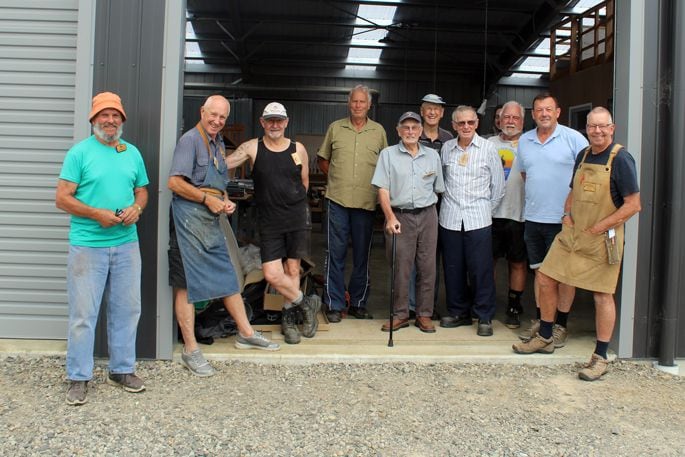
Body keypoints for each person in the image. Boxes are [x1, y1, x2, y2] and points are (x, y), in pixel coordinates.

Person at [513, 107, 641, 381]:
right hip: (573, 233)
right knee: (546, 277)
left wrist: (600, 226)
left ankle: (600, 356)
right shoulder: (583, 155)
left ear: (612, 128)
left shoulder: (621, 159)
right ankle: (546, 336)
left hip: (602, 238)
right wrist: (567, 214)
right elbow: (574, 190)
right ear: (587, 128)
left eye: (602, 126)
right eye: (592, 126)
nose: (597, 131)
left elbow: (633, 205)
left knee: (601, 294)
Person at [168, 95, 279, 377]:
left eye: (222, 117)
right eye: (213, 115)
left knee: (228, 277)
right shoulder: (190, 140)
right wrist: (207, 200)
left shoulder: (217, 142)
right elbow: (175, 182)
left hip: (211, 220)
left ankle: (245, 333)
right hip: (188, 220)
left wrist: (226, 199)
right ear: (202, 112)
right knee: (186, 286)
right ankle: (191, 349)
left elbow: (216, 182)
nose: (217, 121)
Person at [56, 92, 149, 405]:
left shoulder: (132, 153)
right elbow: (62, 198)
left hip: (126, 244)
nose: (110, 121)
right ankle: (78, 377)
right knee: (83, 314)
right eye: (103, 116)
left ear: (122, 120)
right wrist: (96, 214)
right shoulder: (79, 153)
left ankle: (121, 370)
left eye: (115, 116)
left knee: (127, 309)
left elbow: (142, 191)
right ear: (93, 120)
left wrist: (137, 207)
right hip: (87, 246)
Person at [227, 102, 321, 345]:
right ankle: (305, 302)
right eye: (270, 120)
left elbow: (304, 181)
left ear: (286, 122)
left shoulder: (298, 148)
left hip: (297, 219)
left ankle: (288, 320)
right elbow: (224, 164)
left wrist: (294, 206)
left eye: (279, 120)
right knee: (271, 273)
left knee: (292, 270)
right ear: (262, 122)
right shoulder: (251, 147)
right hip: (269, 222)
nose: (275, 125)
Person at [516, 93, 589, 347]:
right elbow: (526, 174)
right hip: (534, 218)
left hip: (565, 220)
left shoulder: (574, 139)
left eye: (549, 109)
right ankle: (541, 321)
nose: (544, 114)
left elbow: (586, 177)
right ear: (533, 114)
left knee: (565, 275)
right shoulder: (525, 141)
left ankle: (560, 326)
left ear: (558, 112)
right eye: (539, 110)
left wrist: (572, 211)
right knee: (540, 272)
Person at [317, 85, 388, 323]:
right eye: (354, 102)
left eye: (362, 102)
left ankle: (358, 302)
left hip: (366, 203)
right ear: (349, 104)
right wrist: (336, 178)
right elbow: (322, 159)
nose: (357, 106)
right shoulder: (335, 128)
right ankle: (334, 303)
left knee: (362, 256)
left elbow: (386, 165)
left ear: (369, 105)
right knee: (335, 253)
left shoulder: (378, 131)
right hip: (337, 200)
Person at [371, 112, 445, 333]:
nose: (410, 131)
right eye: (406, 128)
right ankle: (400, 314)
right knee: (401, 267)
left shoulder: (433, 156)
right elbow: (382, 189)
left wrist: (426, 211)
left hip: (428, 215)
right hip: (399, 216)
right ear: (398, 130)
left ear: (421, 131)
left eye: (415, 127)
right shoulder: (388, 154)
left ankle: (424, 314)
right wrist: (390, 216)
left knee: (427, 266)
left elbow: (438, 188)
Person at [438, 106, 505, 336]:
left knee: (481, 270)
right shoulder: (447, 149)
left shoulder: (488, 149)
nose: (466, 127)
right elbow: (442, 182)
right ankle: (459, 312)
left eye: (470, 122)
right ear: (454, 125)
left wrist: (486, 209)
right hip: (450, 219)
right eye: (461, 123)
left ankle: (484, 316)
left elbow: (498, 187)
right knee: (453, 268)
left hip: (478, 219)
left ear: (477, 123)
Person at [488, 101, 527, 328]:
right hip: (490, 215)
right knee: (488, 261)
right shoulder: (487, 144)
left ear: (522, 121)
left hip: (518, 214)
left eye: (515, 118)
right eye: (506, 117)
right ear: (499, 120)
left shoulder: (530, 144)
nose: (510, 121)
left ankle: (514, 305)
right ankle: (488, 303)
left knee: (517, 262)